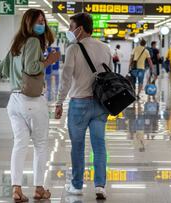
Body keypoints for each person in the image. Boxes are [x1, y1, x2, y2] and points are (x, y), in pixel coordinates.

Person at [0, 9, 59, 202]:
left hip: (15, 101)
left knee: (19, 144)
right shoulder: (34, 41)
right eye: (38, 21)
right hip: (32, 100)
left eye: (43, 20)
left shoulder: (17, 43)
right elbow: (32, 68)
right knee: (41, 145)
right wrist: (48, 61)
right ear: (29, 23)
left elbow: (0, 68)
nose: (42, 24)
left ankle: (16, 189)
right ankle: (39, 188)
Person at [54, 13, 111, 200]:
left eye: (71, 27)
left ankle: (77, 185)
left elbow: (66, 78)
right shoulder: (105, 47)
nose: (70, 31)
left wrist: (59, 102)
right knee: (99, 145)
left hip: (79, 103)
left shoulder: (74, 49)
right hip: (101, 103)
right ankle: (100, 186)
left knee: (77, 146)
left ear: (80, 28)